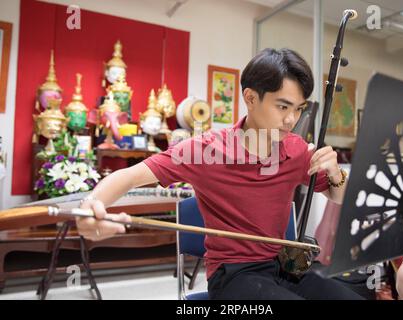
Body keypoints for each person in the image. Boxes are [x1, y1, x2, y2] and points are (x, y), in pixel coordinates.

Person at [76, 48, 363, 300]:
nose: (291, 119)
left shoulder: (296, 149)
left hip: (284, 268)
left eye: (299, 109)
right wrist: (92, 207)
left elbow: (337, 197)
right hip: (234, 276)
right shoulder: (206, 150)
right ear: (250, 98)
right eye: (282, 106)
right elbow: (128, 177)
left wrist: (335, 171)